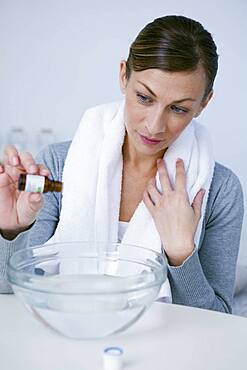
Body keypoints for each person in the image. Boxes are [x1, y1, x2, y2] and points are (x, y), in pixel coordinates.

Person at [0, 15, 244, 312]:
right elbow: (10, 297)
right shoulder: (59, 165)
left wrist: (181, 253)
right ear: (123, 77)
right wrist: (11, 231)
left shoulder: (220, 190)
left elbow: (220, 321)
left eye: (178, 109)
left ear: (204, 104)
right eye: (144, 97)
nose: (154, 126)